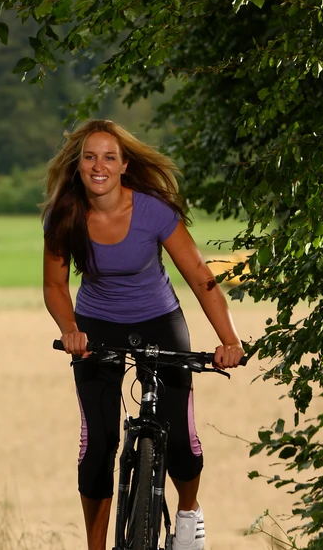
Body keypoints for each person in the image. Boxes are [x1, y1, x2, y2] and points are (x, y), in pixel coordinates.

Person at [41, 119, 244, 550]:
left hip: (158, 319)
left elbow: (199, 276)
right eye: (90, 157)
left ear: (123, 165)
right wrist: (71, 330)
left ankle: (188, 515)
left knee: (182, 443)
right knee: (97, 445)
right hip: (96, 326)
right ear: (78, 166)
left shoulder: (153, 211)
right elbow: (55, 286)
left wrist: (230, 340)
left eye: (109, 157)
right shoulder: (65, 215)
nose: (99, 166)